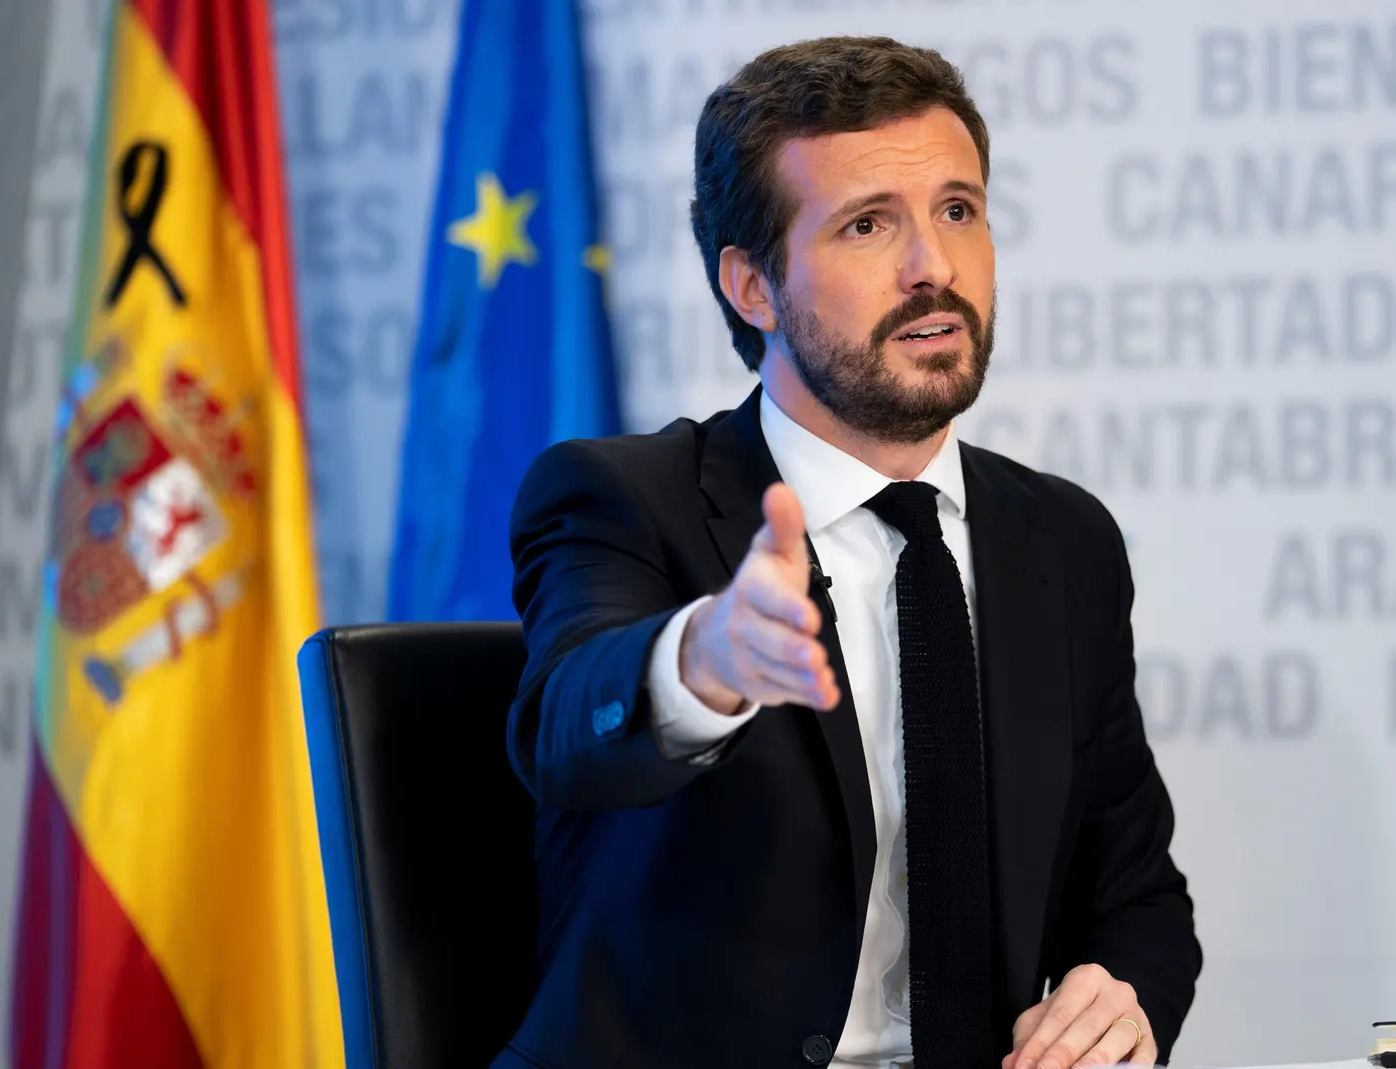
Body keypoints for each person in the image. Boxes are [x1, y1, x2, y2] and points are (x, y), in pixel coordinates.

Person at [497, 36, 1201, 1069]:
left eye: (958, 210)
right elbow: (566, 728)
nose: (934, 267)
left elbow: (1136, 891)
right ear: (752, 285)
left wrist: (1121, 997)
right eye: (869, 225)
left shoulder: (1062, 540)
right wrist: (704, 660)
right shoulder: (624, 498)